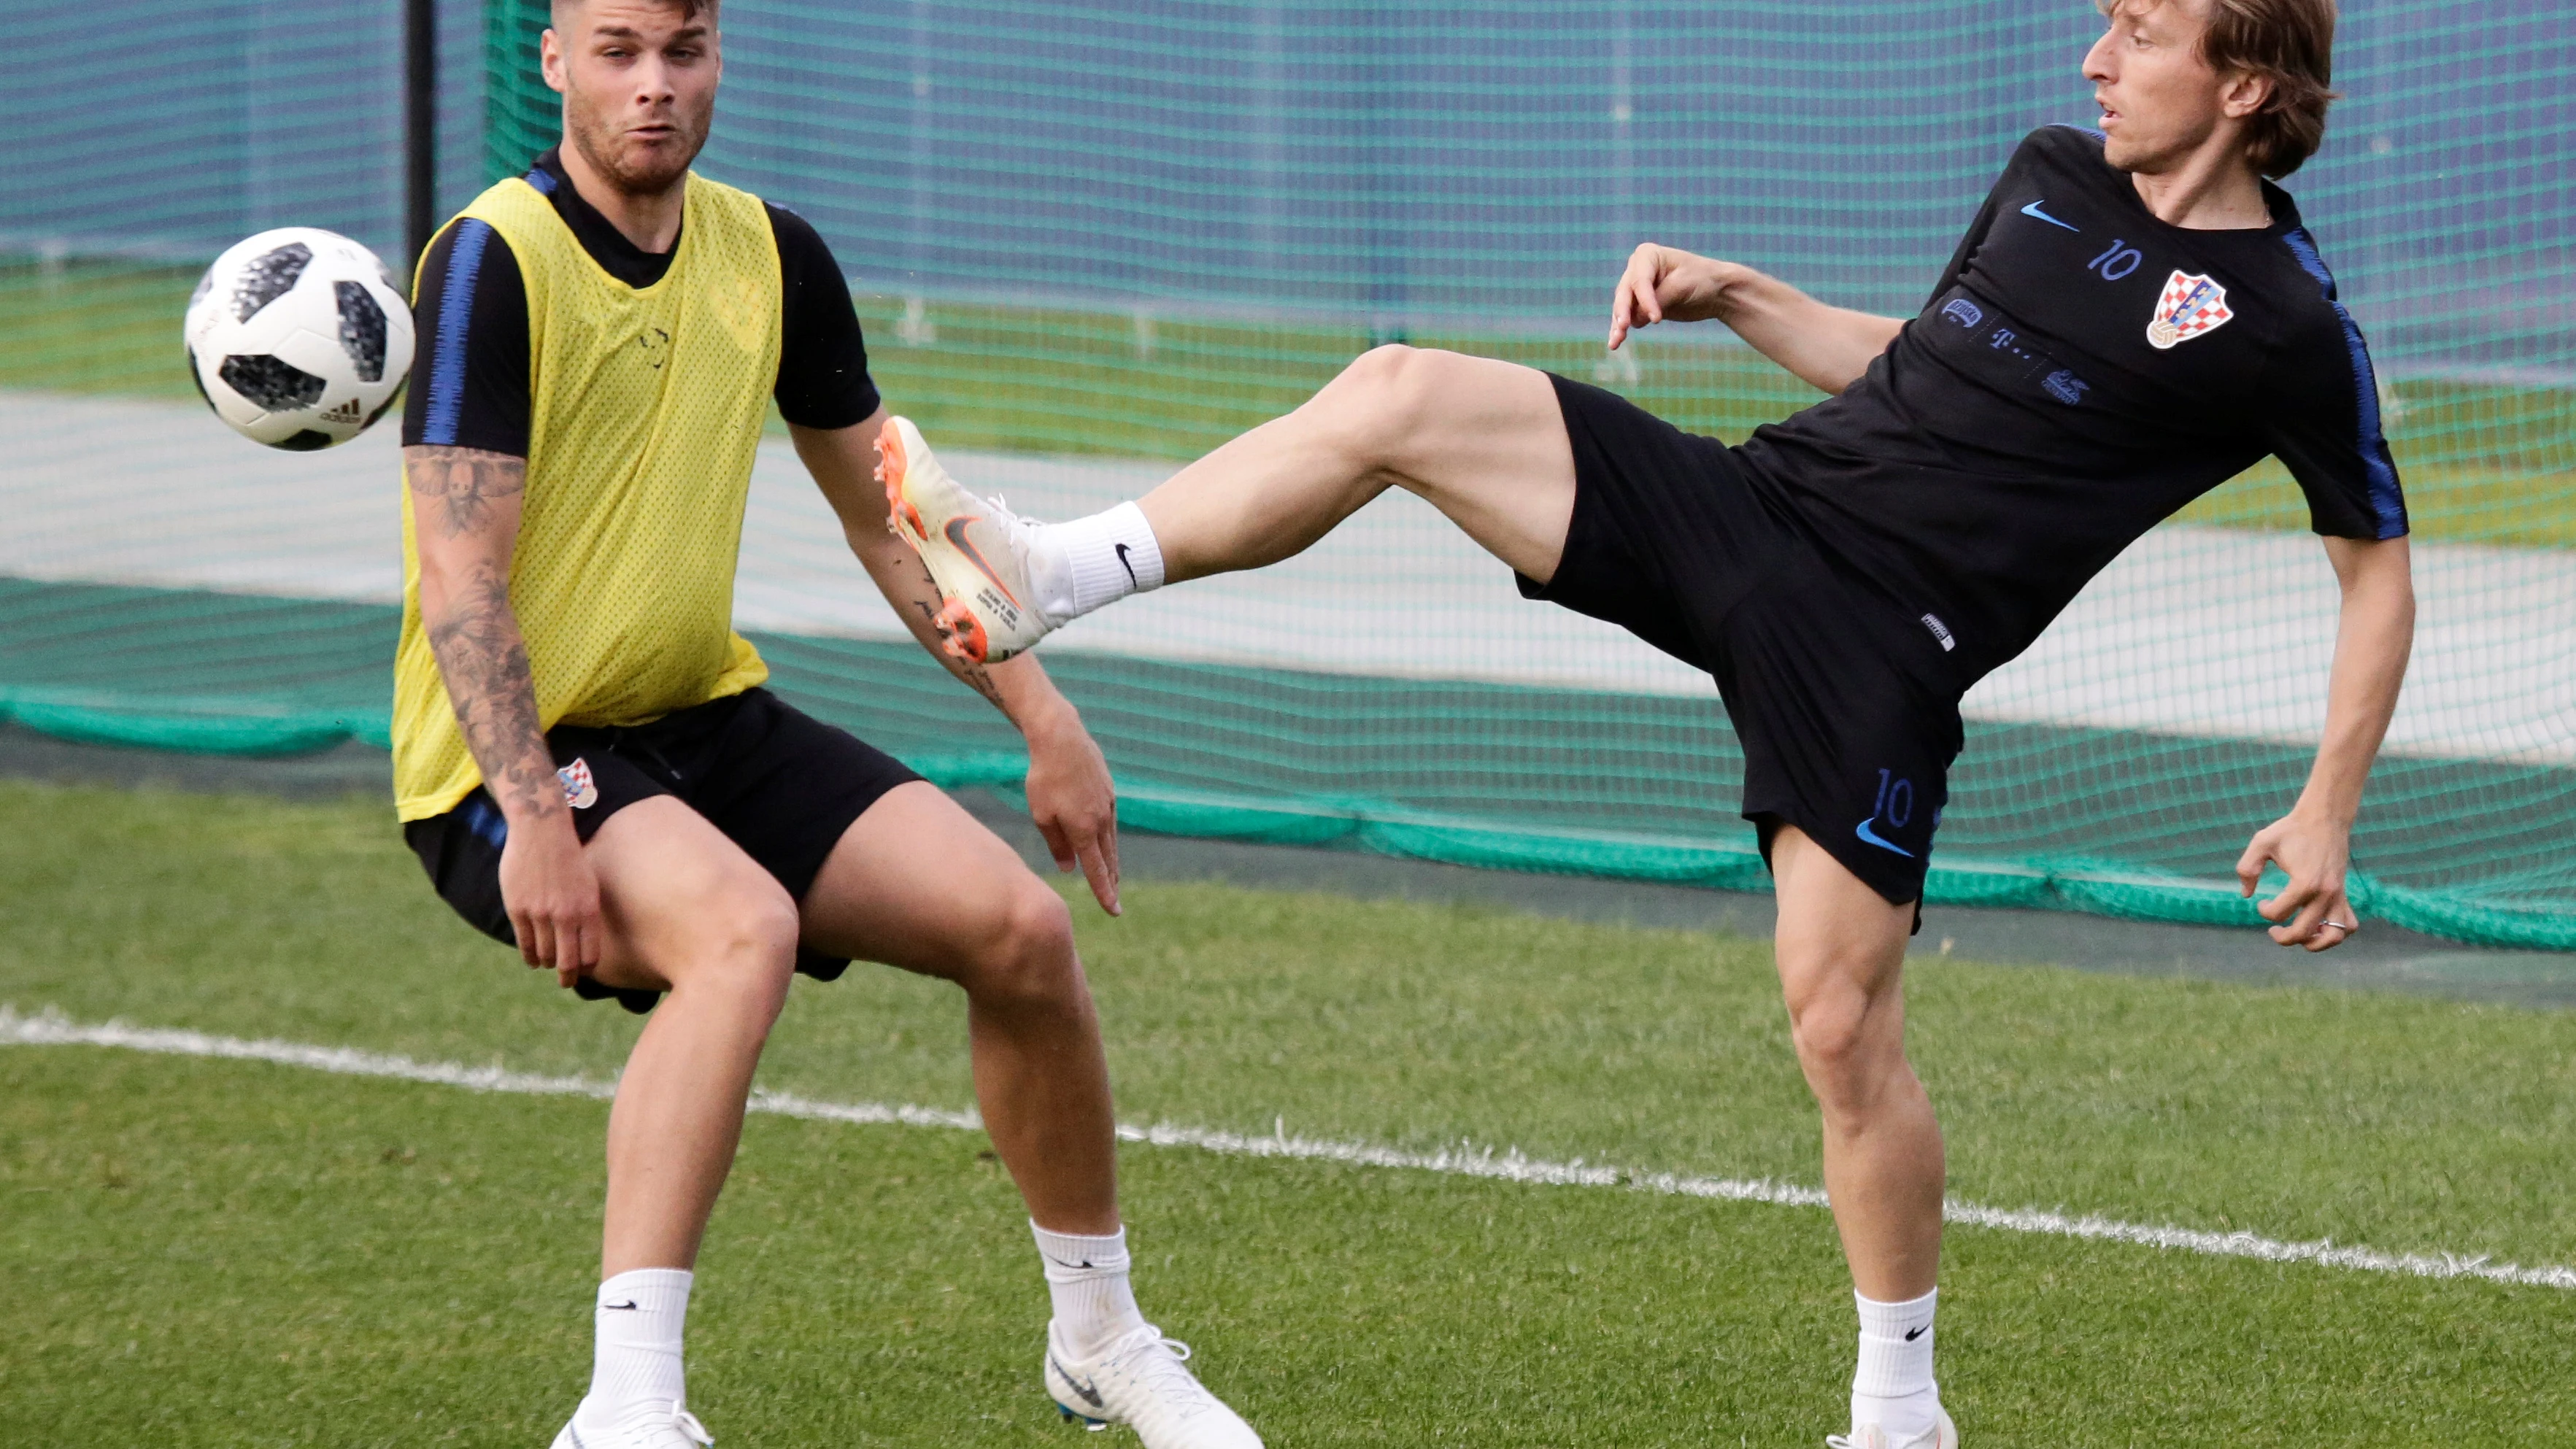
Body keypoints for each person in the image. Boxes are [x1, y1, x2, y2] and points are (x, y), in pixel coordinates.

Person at [883, 1, 2410, 1444]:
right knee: (1399, 390)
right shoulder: (2048, 172)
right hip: (1751, 511)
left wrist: (2328, 802)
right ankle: (1052, 574)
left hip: (1882, 650)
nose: (2095, 55)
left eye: (2139, 29)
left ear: (2244, 83)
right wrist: (1738, 293)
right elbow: (1921, 367)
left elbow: (2374, 566)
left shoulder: (2286, 322)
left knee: (1838, 1026)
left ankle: (1897, 1413)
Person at [393, 3, 1261, 1445]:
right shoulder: (492, 258)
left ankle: (1100, 1343)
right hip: (510, 766)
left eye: (682, 48)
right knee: (743, 937)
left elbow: (888, 519)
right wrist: (536, 812)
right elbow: (459, 575)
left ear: (720, 50)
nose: (653, 87)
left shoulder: (772, 252)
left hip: (705, 716)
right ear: (550, 59)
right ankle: (626, 1409)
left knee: (1021, 934)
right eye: (617, 50)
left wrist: (1045, 716)